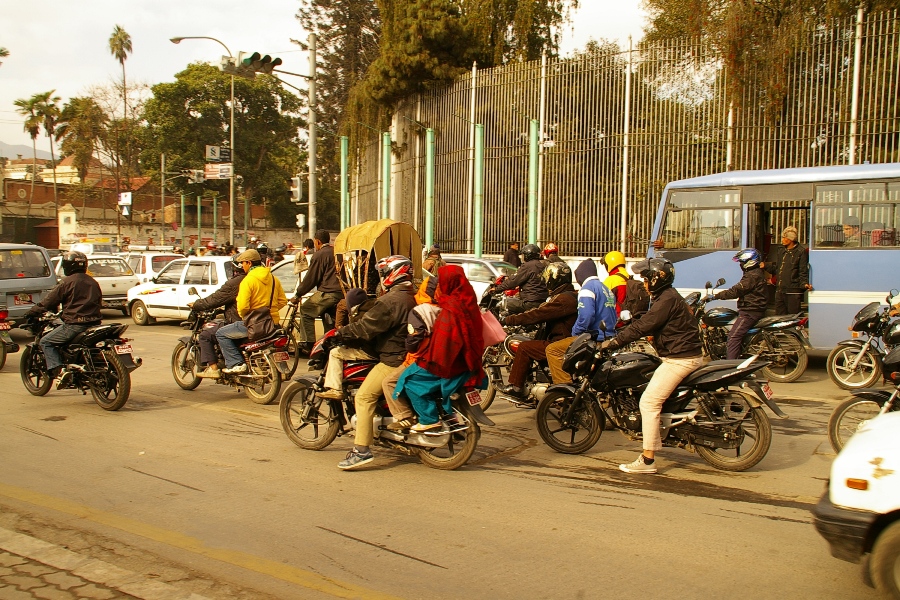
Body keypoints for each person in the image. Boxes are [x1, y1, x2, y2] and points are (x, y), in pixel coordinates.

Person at [600, 258, 705, 474]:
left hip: (680, 359)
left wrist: (615, 342)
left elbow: (645, 324)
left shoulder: (666, 299)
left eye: (646, 279)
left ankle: (648, 460)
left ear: (657, 279)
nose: (644, 283)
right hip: (681, 354)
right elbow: (647, 321)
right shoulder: (668, 297)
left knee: (648, 402)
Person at [323, 255, 416, 470]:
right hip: (406, 354)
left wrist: (340, 333)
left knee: (364, 397)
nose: (381, 278)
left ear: (393, 274)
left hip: (392, 358)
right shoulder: (410, 296)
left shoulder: (389, 301)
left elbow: (365, 328)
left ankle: (361, 451)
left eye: (383, 274)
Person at [394, 265, 485, 432]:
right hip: (468, 361)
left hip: (450, 363)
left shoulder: (451, 307)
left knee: (408, 381)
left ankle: (428, 418)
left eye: (442, 282)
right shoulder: (467, 299)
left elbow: (446, 343)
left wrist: (429, 361)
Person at [499, 262, 578, 406]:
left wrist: (510, 320)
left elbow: (539, 314)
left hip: (559, 342)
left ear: (555, 279)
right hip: (566, 340)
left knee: (524, 348)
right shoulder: (570, 295)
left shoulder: (563, 300)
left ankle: (517, 387)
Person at [24, 251, 102, 388]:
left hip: (75, 325)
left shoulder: (67, 282)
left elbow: (49, 301)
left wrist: (32, 312)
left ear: (67, 266)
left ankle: (59, 370)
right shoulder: (93, 282)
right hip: (94, 324)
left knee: (46, 341)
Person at [545, 259, 617, 384]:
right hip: (608, 336)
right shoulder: (605, 288)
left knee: (552, 349)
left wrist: (575, 332)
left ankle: (564, 391)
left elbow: (586, 316)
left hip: (594, 338)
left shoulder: (587, 288)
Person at [215, 249, 287, 374]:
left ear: (249, 263)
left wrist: (246, 317)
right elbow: (282, 301)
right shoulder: (274, 279)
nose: (242, 266)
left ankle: (236, 363)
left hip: (254, 325)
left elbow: (242, 306)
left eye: (243, 263)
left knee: (220, 333)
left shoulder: (248, 281)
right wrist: (270, 311)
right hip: (273, 324)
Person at [384, 275, 441, 430]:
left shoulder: (421, 310)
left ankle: (404, 416)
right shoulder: (446, 307)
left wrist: (409, 348)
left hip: (420, 357)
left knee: (389, 382)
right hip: (441, 357)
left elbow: (414, 337)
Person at [188, 256, 247, 379]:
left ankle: (214, 368)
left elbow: (216, 299)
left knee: (206, 335)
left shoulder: (236, 282)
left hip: (239, 321)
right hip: (258, 321)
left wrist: (198, 304)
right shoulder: (259, 279)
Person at [316, 288, 378, 399]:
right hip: (376, 349)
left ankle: (335, 389)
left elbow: (357, 336)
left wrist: (342, 337)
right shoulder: (373, 309)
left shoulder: (359, 315)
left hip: (369, 351)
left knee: (335, 353)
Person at [290, 229, 344, 353]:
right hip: (341, 293)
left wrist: (298, 293)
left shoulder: (319, 255)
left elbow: (311, 278)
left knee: (306, 309)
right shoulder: (338, 253)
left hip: (328, 293)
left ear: (317, 241)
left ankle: (308, 342)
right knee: (327, 320)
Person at [711, 248, 768, 360]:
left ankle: (731, 367)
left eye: (742, 262)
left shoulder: (752, 275)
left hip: (750, 311)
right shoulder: (754, 273)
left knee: (733, 337)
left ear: (750, 261)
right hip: (751, 308)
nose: (741, 264)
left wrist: (717, 296)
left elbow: (736, 290)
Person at [764, 225, 811, 315]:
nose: (782, 240)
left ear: (790, 239)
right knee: (779, 317)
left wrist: (804, 284)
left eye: (783, 237)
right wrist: (765, 266)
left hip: (793, 291)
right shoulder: (781, 251)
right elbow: (778, 269)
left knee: (792, 316)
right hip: (780, 290)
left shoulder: (801, 252)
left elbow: (803, 271)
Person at [489, 243, 547, 312]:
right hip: (542, 301)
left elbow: (513, 281)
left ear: (528, 255)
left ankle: (504, 321)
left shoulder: (527, 266)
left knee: (503, 303)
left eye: (523, 255)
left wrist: (497, 289)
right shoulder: (542, 265)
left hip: (530, 302)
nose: (522, 257)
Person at [600, 251, 629, 315]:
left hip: (616, 321)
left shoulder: (611, 280)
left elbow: (601, 302)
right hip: (628, 319)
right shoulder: (629, 277)